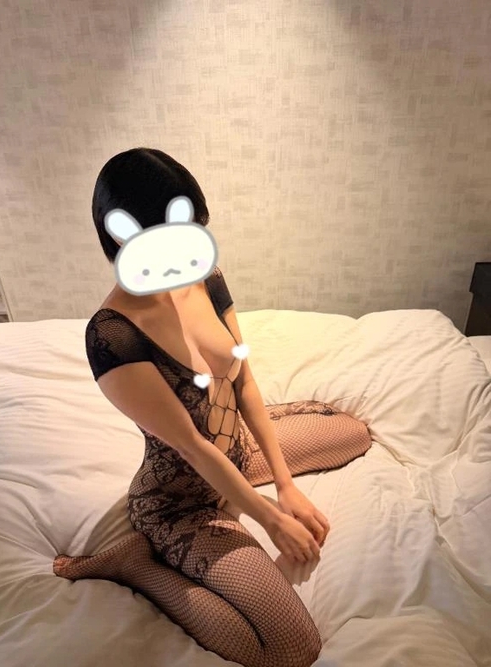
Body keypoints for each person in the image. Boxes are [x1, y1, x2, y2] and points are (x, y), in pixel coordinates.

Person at [53, 148, 370, 667]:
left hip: (236, 451)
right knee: (292, 648)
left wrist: (286, 484)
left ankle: (258, 475)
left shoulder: (204, 276)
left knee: (353, 432)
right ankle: (136, 565)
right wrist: (270, 519)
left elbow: (243, 380)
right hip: (180, 499)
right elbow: (191, 446)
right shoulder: (112, 334)